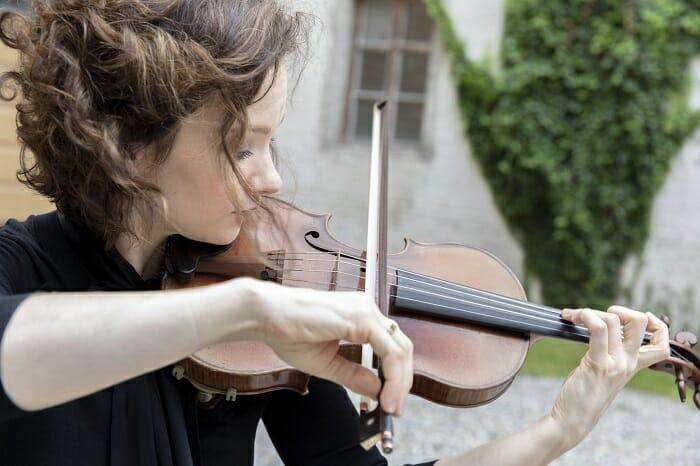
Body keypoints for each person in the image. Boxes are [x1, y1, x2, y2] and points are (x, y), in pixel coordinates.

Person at [0, 2, 670, 466]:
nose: (271, 179)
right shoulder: (21, 270)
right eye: (243, 148)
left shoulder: (271, 289)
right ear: (124, 145)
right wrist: (234, 312)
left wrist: (558, 429)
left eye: (274, 142)